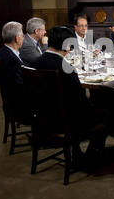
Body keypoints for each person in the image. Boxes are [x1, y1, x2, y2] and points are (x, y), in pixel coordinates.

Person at [31, 26, 107, 163]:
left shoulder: (33, 64)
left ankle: (77, 152)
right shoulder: (66, 69)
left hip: (40, 118)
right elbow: (80, 101)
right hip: (64, 122)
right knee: (105, 115)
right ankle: (88, 159)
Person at [0, 21, 25, 115]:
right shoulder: (11, 59)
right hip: (17, 106)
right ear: (17, 38)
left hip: (11, 101)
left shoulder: (3, 52)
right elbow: (20, 86)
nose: (24, 38)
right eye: (23, 36)